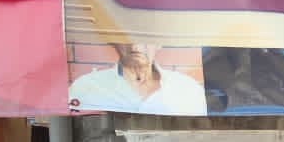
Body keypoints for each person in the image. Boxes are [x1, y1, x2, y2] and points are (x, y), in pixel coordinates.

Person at [68, 42, 207, 115]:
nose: (135, 46)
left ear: (159, 42)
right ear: (114, 42)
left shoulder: (189, 89)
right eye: (126, 37)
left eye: (143, 37)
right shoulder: (84, 87)